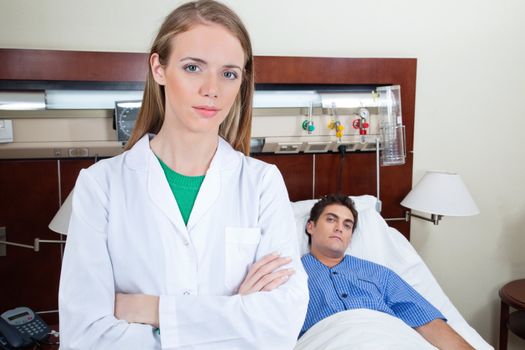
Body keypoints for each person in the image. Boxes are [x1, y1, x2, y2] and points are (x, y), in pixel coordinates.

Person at [58, 1, 309, 349]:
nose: (212, 89)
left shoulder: (262, 183)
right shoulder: (101, 185)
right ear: (159, 68)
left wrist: (154, 309)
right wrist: (236, 310)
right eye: (193, 67)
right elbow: (85, 336)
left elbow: (281, 323)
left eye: (229, 73)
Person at [300, 194, 474, 349]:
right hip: (329, 339)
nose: (339, 228)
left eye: (347, 225)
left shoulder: (378, 273)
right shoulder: (292, 274)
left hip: (388, 336)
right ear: (310, 227)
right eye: (331, 219)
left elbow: (424, 318)